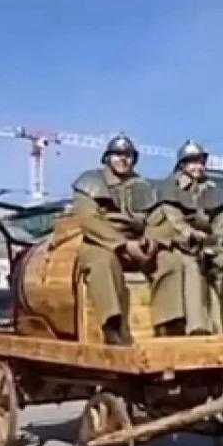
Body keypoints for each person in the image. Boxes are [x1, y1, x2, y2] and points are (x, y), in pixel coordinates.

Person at [147, 139, 223, 335]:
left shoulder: (210, 189)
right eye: (193, 162)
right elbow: (172, 220)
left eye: (200, 161)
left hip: (205, 244)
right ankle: (197, 326)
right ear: (182, 164)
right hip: (176, 245)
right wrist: (191, 235)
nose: (198, 166)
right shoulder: (170, 187)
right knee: (191, 266)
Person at [71, 133, 157, 345]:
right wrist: (122, 244)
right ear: (108, 158)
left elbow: (158, 218)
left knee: (173, 261)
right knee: (103, 262)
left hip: (139, 243)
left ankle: (172, 324)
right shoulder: (90, 181)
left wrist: (152, 240)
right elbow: (88, 220)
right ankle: (112, 324)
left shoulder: (144, 187)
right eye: (118, 154)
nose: (123, 159)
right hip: (99, 242)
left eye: (128, 155)